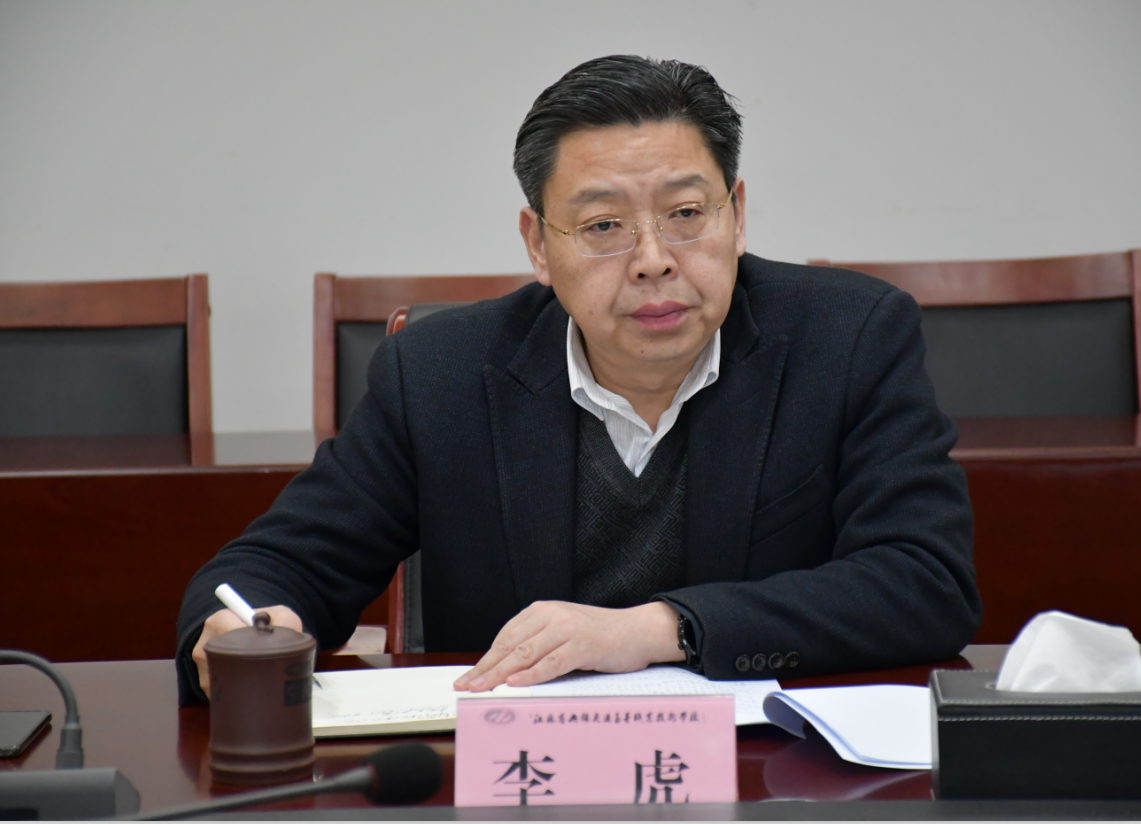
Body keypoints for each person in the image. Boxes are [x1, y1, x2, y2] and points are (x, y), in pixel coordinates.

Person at [176, 55, 981, 704]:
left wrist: (660, 628)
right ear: (538, 244)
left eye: (686, 214)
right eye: (603, 226)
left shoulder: (848, 339)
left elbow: (926, 582)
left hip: (765, 779)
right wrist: (242, 626)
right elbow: (280, 566)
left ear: (736, 214)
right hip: (516, 778)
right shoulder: (440, 375)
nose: (654, 259)